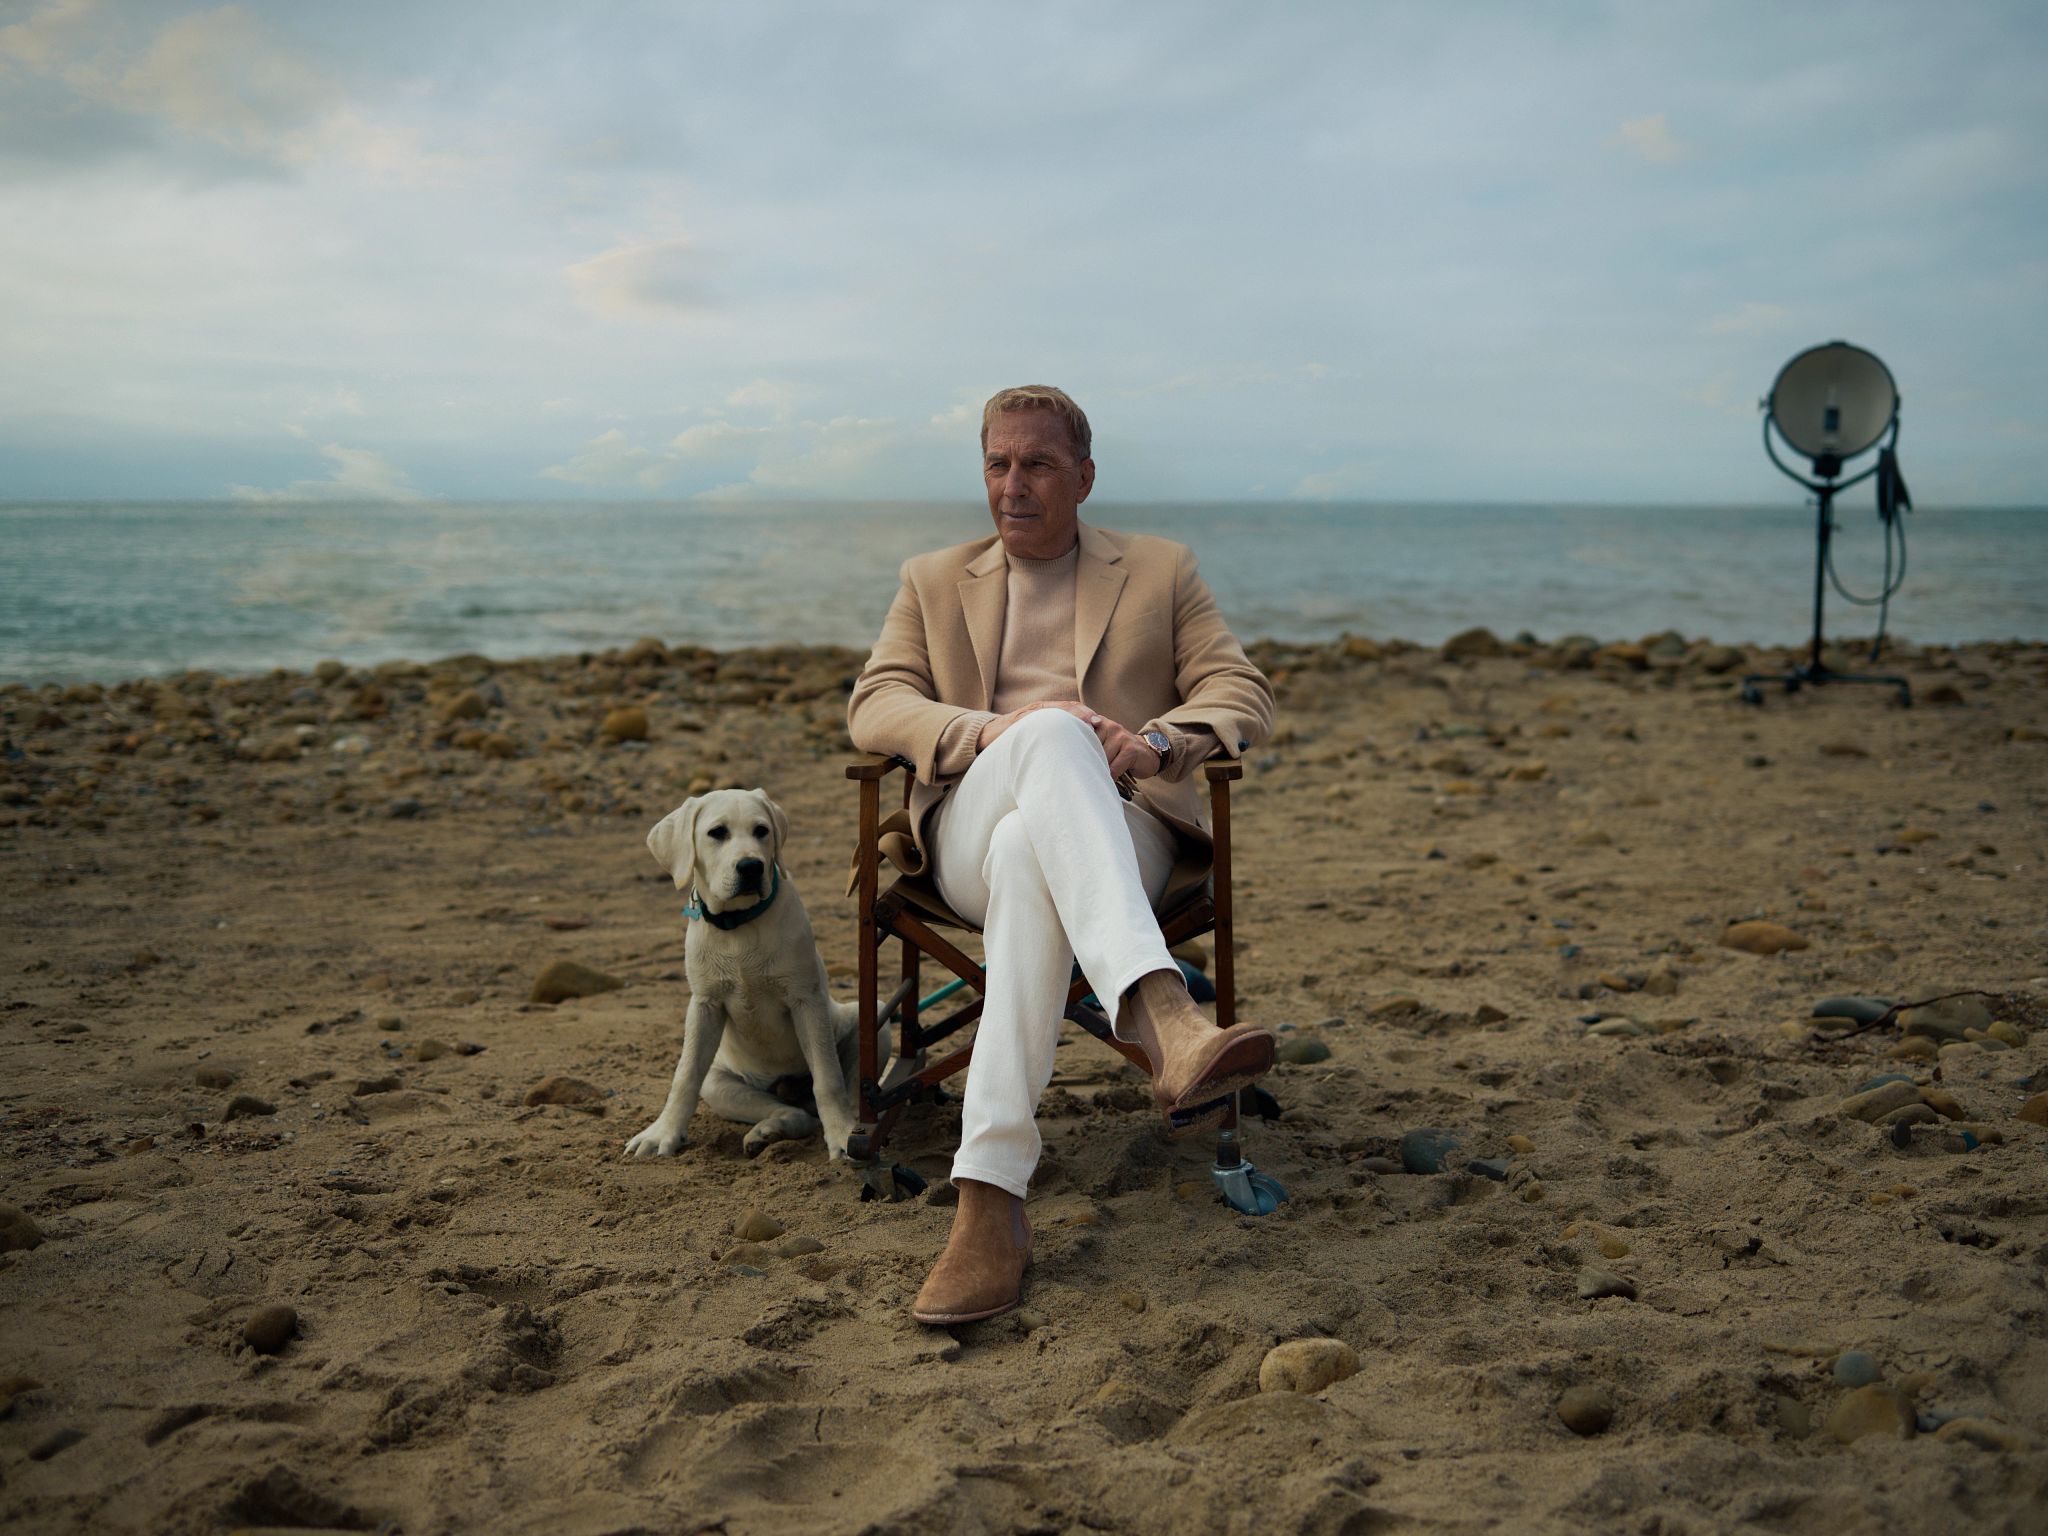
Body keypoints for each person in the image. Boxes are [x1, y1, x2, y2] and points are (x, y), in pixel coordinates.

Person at [847, 385, 1277, 1326]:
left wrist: (1159, 745)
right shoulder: (931, 578)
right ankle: (1162, 1010)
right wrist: (1001, 730)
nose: (1013, 484)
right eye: (997, 464)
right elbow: (875, 703)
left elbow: (1239, 688)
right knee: (1043, 742)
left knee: (1031, 854)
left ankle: (990, 1202)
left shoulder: (1160, 571)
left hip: (1123, 830)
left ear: (1083, 477)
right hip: (968, 813)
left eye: (1037, 464)